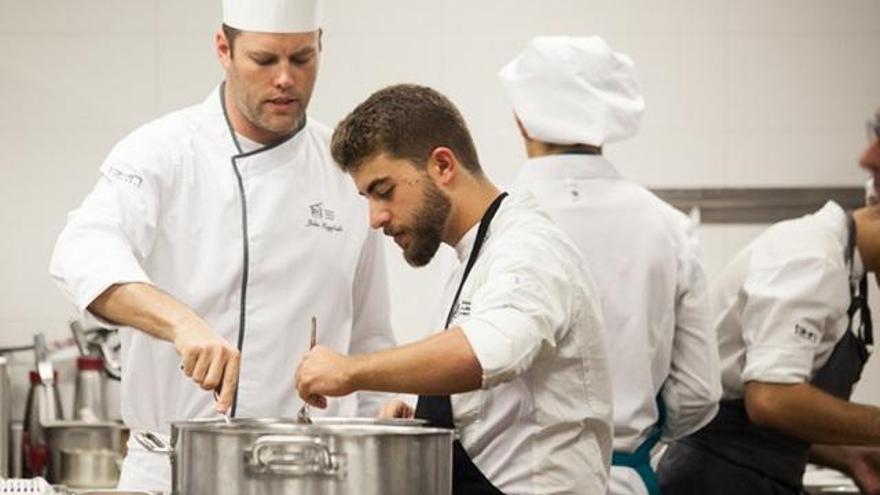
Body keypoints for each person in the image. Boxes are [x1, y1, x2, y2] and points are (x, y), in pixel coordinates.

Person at [48, 0, 395, 490]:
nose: (285, 80)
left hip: (312, 477)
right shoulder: (164, 153)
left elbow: (370, 343)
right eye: (264, 60)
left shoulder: (343, 174)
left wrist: (387, 417)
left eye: (301, 59)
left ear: (320, 48)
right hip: (172, 472)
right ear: (223, 49)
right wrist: (181, 323)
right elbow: (80, 252)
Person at [295, 83, 613, 494]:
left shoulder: (528, 249)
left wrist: (351, 371)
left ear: (443, 165)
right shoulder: (471, 253)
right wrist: (430, 420)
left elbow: (485, 352)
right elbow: (500, 407)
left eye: (383, 191)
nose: (375, 218)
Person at [497, 35, 722, 495]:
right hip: (622, 481)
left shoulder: (492, 223)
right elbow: (700, 391)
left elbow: (461, 369)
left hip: (512, 480)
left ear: (522, 120)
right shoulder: (668, 227)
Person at [656, 109, 880, 495]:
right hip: (716, 480)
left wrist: (849, 456)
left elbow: (762, 424)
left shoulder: (844, 273)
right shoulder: (811, 257)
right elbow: (772, 400)